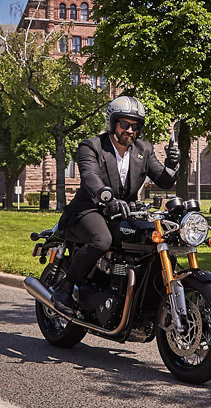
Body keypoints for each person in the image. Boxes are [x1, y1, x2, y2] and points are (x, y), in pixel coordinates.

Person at [51, 95, 180, 316]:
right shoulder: (91, 146)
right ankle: (64, 288)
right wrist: (107, 198)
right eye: (125, 124)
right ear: (113, 123)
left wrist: (171, 164)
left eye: (135, 126)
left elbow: (164, 180)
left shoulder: (144, 150)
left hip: (123, 211)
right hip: (89, 209)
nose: (130, 130)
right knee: (102, 240)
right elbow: (91, 177)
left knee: (154, 240)